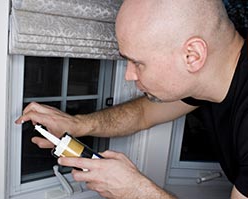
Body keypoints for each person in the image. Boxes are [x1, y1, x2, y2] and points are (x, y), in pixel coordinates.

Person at [16, 0, 248, 198]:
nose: (129, 75)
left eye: (138, 63)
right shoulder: (215, 75)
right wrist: (78, 124)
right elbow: (143, 114)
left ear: (192, 56)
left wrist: (137, 191)